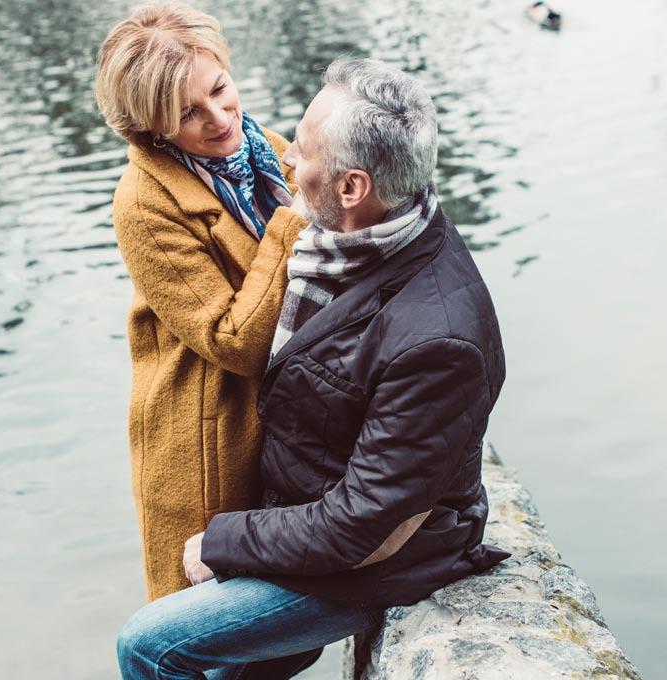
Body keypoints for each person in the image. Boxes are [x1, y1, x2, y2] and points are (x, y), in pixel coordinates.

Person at [117, 57, 510, 680]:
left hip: (383, 560)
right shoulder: (367, 235)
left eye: (299, 153)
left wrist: (223, 541)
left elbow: (361, 524)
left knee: (148, 643)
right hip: (315, 510)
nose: (284, 165)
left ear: (352, 187)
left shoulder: (435, 341)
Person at [95, 1, 309, 602]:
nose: (219, 118)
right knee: (214, 640)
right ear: (151, 129)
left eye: (220, 89)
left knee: (284, 643)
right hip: (208, 441)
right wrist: (291, 228)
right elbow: (233, 342)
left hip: (280, 422)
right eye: (189, 113)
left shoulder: (262, 150)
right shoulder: (143, 204)